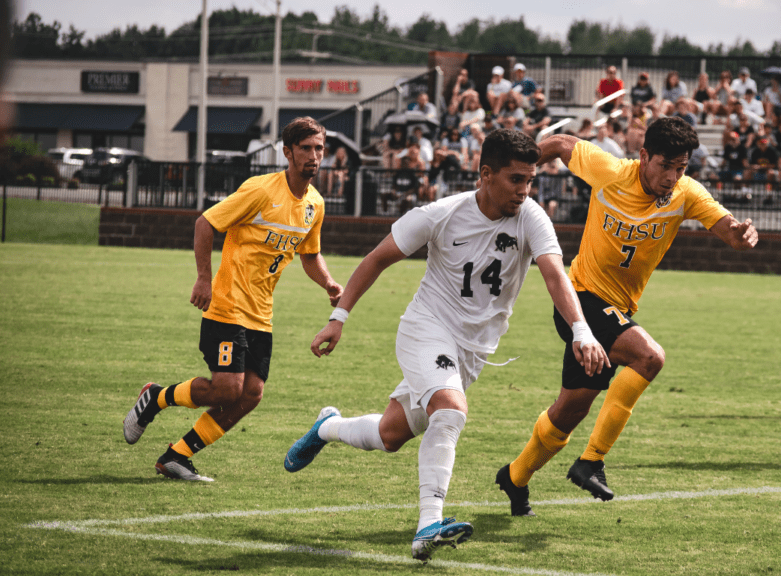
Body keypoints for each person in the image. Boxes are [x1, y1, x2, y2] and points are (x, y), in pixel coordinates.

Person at [283, 129, 609, 560]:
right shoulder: (440, 213)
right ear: (485, 174)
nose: (524, 190)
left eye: (530, 180)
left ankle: (327, 426)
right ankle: (428, 526)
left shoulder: (531, 216)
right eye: (515, 179)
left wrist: (582, 330)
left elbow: (555, 275)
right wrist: (337, 318)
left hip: (473, 351)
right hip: (427, 328)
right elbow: (377, 259)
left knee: (391, 434)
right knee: (451, 410)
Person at [495, 117, 758, 515]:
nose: (672, 176)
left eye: (681, 168)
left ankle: (515, 477)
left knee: (568, 413)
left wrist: (739, 236)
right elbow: (563, 143)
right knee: (649, 356)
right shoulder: (612, 172)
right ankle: (591, 461)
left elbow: (725, 228)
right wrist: (523, 171)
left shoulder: (686, 193)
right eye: (665, 165)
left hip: (615, 310)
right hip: (580, 299)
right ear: (643, 156)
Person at [122, 117, 342, 482]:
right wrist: (204, 278)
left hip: (261, 314)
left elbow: (309, 254)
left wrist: (330, 284)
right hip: (227, 305)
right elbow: (205, 223)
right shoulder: (260, 189)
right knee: (227, 388)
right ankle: (156, 397)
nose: (314, 156)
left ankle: (177, 456)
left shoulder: (315, 205)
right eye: (305, 148)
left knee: (251, 394)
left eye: (319, 148)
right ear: (287, 152)